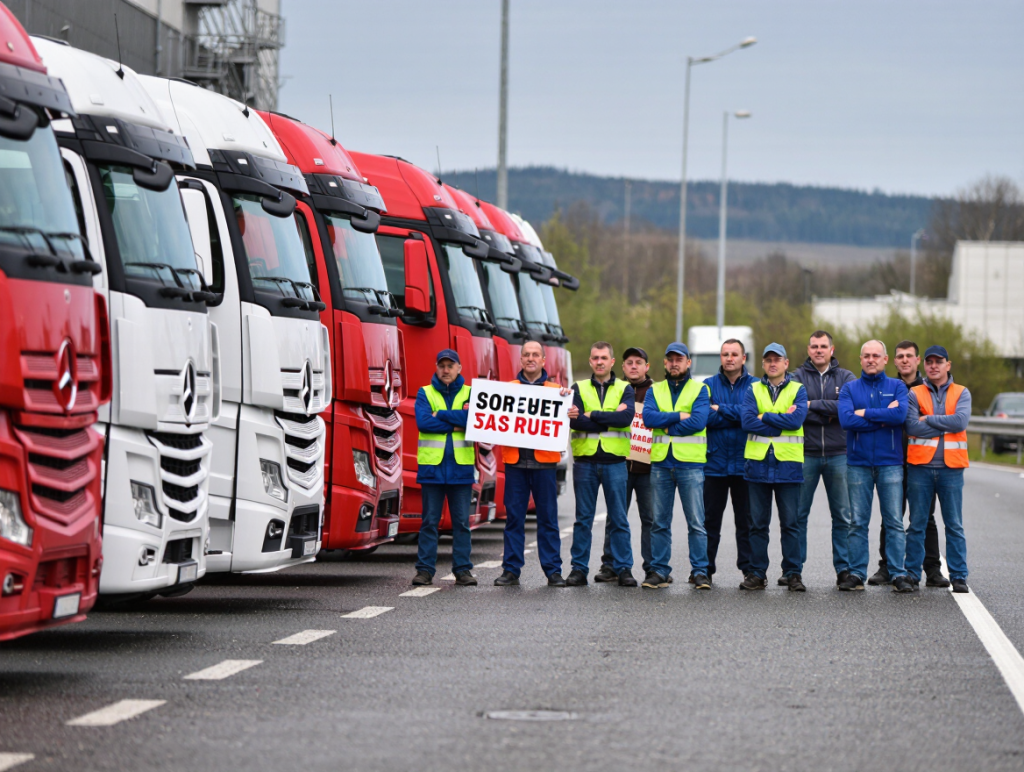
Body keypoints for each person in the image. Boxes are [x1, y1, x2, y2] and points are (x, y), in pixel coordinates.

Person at [868, 340, 948, 588]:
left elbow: (935, 421)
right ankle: (886, 566)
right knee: (891, 516)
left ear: (917, 360)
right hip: (891, 460)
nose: (904, 360)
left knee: (925, 518)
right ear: (893, 361)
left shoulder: (926, 389)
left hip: (921, 462)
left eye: (909, 356)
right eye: (900, 356)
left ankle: (932, 569)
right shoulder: (888, 387)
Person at [838, 340, 914, 593]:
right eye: (866, 356)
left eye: (876, 355)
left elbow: (899, 416)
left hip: (890, 463)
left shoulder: (898, 386)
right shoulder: (849, 389)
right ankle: (857, 573)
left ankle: (898, 573)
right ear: (860, 360)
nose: (871, 359)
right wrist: (882, 416)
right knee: (857, 522)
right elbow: (846, 420)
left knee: (893, 521)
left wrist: (864, 413)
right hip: (858, 464)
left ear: (884, 360)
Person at [495, 341, 573, 587]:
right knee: (514, 519)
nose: (530, 358)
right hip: (515, 463)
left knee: (548, 520)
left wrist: (569, 408)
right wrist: (474, 409)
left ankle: (553, 571)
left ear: (543, 360)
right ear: (520, 360)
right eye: (526, 355)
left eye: (535, 355)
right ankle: (511, 570)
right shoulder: (507, 389)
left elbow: (570, 415)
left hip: (545, 465)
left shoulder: (556, 391)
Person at [739, 343, 809, 591]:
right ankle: (757, 574)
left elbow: (797, 420)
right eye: (768, 359)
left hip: (788, 465)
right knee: (758, 525)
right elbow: (747, 421)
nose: (772, 363)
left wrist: (765, 416)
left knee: (790, 523)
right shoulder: (752, 389)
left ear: (786, 363)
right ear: (763, 364)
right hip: (757, 466)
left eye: (777, 359)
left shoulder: (799, 390)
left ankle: (792, 573)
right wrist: (780, 421)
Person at [641, 342, 711, 590]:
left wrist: (668, 426)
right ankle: (659, 571)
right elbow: (648, 418)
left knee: (696, 522)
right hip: (661, 463)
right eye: (670, 359)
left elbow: (699, 421)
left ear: (688, 363)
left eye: (679, 359)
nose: (674, 363)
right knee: (659, 521)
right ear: (664, 363)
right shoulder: (655, 390)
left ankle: (700, 571)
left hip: (690, 464)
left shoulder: (700, 389)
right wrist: (680, 416)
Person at [565, 342, 636, 586]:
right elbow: (575, 423)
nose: (599, 362)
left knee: (619, 519)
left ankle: (624, 568)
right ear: (590, 361)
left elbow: (626, 418)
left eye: (604, 357)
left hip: (615, 462)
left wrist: (591, 415)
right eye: (595, 357)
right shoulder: (579, 387)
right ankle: (579, 569)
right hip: (585, 462)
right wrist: (609, 418)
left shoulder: (625, 388)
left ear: (612, 362)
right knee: (583, 519)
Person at [791, 330, 856, 587]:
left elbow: (845, 410)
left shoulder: (846, 377)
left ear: (832, 349)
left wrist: (811, 405)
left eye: (823, 346)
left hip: (839, 454)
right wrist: (826, 410)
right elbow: (795, 410)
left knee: (842, 515)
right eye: (814, 346)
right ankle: (794, 570)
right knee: (798, 515)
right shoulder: (795, 377)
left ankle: (844, 570)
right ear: (808, 350)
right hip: (805, 453)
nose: (819, 350)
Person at [905, 345, 971, 593]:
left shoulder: (962, 393)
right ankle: (912, 574)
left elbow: (960, 421)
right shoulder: (915, 393)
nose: (933, 366)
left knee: (954, 524)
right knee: (917, 523)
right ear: (925, 365)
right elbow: (911, 427)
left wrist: (928, 419)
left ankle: (959, 576)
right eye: (930, 362)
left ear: (948, 365)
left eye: (938, 361)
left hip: (951, 469)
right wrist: (945, 424)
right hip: (920, 467)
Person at [412, 349, 476, 587]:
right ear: (436, 367)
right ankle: (425, 571)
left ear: (459, 368)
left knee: (461, 523)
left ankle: (463, 570)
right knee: (429, 522)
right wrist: (457, 422)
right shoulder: (424, 392)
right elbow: (424, 422)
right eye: (442, 366)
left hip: (461, 470)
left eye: (451, 366)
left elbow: (475, 421)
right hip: (432, 469)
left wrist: (444, 415)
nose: (446, 370)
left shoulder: (472, 393)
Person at [595, 347, 655, 582]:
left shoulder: (656, 391)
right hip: (618, 462)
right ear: (621, 366)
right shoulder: (613, 390)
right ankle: (610, 565)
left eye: (638, 362)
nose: (633, 366)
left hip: (647, 467)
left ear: (646, 367)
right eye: (629, 362)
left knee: (650, 519)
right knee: (615, 516)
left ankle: (653, 567)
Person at [703, 338, 756, 582]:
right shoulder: (707, 385)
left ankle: (749, 570)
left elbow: (750, 418)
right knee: (709, 523)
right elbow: (705, 418)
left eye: (735, 354)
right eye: (725, 354)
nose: (730, 358)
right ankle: (704, 570)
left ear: (744, 358)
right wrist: (738, 414)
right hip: (714, 464)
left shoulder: (757, 386)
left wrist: (720, 409)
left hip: (746, 465)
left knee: (746, 523)